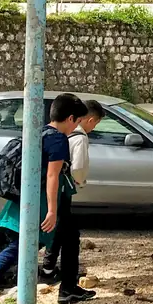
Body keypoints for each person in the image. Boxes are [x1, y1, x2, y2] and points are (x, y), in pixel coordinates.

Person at [0, 94, 96, 304]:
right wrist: (52, 211)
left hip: (25, 198)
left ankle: (68, 288)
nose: (76, 127)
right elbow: (52, 176)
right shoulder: (58, 139)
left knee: (68, 237)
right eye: (77, 121)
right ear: (70, 118)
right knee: (19, 248)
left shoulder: (39, 133)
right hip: (41, 205)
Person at [40, 99, 104, 288]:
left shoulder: (57, 134)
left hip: (52, 188)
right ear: (89, 120)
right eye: (95, 124)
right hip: (62, 189)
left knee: (62, 231)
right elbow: (78, 167)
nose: (94, 128)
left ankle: (52, 272)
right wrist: (79, 181)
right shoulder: (79, 137)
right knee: (64, 231)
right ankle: (59, 278)